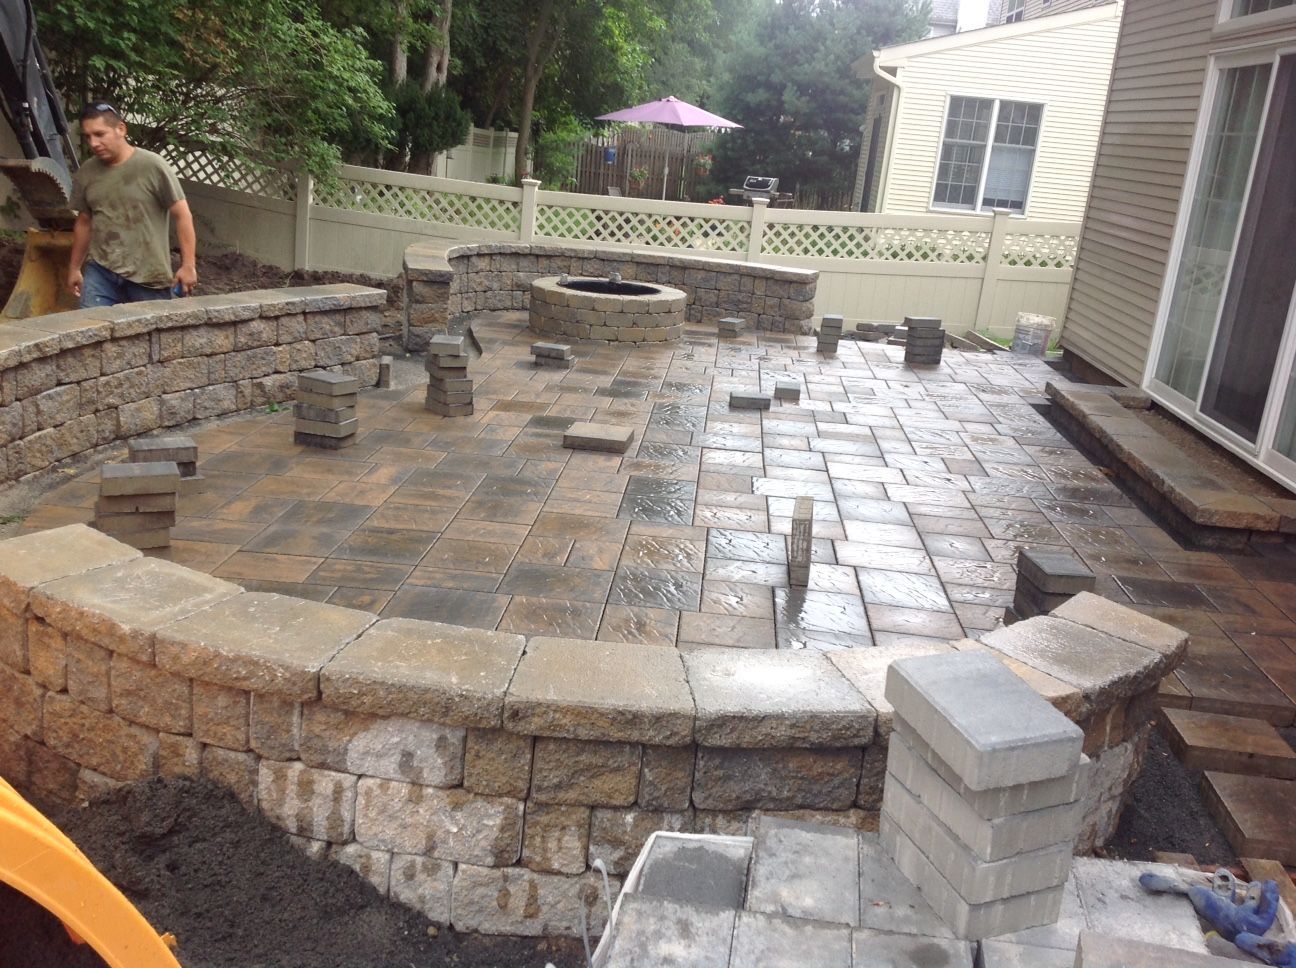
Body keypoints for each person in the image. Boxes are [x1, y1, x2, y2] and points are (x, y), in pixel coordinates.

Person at [66, 102, 198, 307]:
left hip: (148, 277)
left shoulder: (152, 166)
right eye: (88, 136)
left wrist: (188, 265)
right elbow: (84, 222)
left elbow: (182, 215)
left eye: (100, 134)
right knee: (90, 328)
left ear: (121, 129)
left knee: (150, 338)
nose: (93, 143)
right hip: (101, 271)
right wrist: (74, 268)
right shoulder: (87, 172)